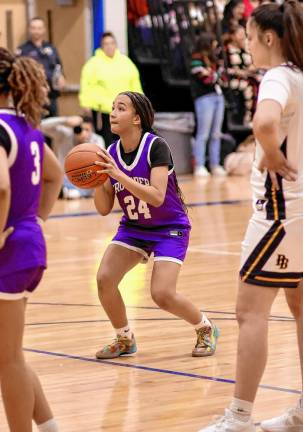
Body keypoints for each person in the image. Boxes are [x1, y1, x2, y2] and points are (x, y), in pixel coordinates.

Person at [198, 1, 303, 431]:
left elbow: (263, 122)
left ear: (268, 37)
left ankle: (238, 418)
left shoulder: (278, 77)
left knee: (250, 313)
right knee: (299, 308)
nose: (244, 41)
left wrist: (272, 155)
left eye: (248, 33)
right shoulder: (300, 75)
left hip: (279, 216)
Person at [92, 91, 219, 359]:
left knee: (162, 293)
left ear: (137, 118)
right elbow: (104, 209)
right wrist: (94, 179)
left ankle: (205, 328)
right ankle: (124, 339)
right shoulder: (111, 152)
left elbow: (157, 196)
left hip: (169, 226)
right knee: (104, 279)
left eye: (121, 108)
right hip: (135, 227)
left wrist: (118, 174)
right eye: (113, 107)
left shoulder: (156, 146)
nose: (113, 113)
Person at [0, 48, 63, 431]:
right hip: (26, 241)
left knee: (8, 361)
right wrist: (33, 219)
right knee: (10, 356)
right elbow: (54, 176)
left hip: (10, 249)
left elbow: (1, 188)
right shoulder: (25, 127)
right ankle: (50, 427)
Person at [79, 32, 143, 148]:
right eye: (106, 44)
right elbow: (86, 85)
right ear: (102, 46)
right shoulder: (93, 64)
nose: (109, 46)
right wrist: (85, 104)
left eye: (112, 43)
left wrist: (140, 103)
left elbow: (135, 84)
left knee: (125, 140)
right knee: (106, 142)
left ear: (116, 45)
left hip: (124, 111)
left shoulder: (126, 63)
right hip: (103, 111)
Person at [40, 115, 105, 199]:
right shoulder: (65, 134)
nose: (84, 133)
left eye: (87, 130)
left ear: (92, 130)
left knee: (93, 185)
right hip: (64, 179)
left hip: (86, 180)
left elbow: (100, 165)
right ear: (75, 129)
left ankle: (68, 192)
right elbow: (41, 126)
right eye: (81, 129)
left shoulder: (97, 140)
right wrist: (65, 120)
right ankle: (66, 192)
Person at [190, 33, 227, 177]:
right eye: (213, 43)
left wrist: (214, 74)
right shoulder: (196, 59)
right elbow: (206, 78)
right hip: (205, 98)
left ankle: (215, 164)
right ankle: (199, 165)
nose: (216, 46)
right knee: (203, 133)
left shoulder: (215, 59)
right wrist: (215, 74)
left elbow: (222, 78)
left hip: (218, 96)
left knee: (216, 134)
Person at [16, 16, 65, 118]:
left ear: (44, 30)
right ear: (29, 29)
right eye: (33, 28)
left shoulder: (50, 48)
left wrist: (61, 77)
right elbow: (19, 74)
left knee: (53, 128)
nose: (36, 31)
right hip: (33, 97)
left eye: (39, 28)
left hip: (51, 96)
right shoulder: (23, 50)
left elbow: (58, 66)